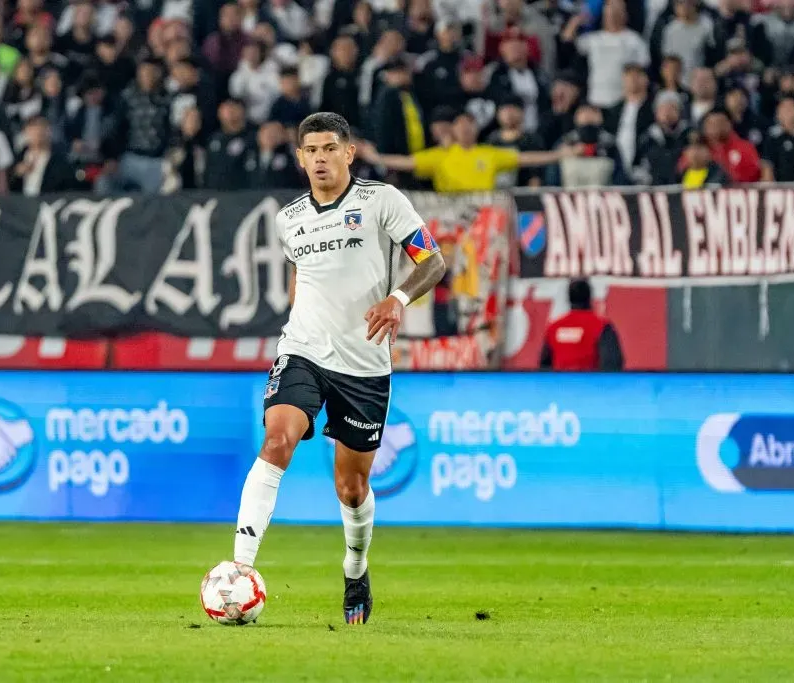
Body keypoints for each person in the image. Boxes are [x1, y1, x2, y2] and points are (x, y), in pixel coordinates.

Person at [232, 112, 446, 626]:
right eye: (312, 150)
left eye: (331, 148)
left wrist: (397, 299)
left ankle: (355, 567)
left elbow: (432, 261)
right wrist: (298, 325)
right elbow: (301, 279)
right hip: (304, 351)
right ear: (301, 157)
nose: (321, 158)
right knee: (276, 440)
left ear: (349, 153)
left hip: (365, 364)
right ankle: (238, 570)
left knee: (351, 488)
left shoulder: (381, 202)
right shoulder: (290, 220)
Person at [358, 112, 574, 193]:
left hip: (485, 219)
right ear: (453, 130)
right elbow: (407, 163)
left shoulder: (489, 153)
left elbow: (525, 159)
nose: (466, 129)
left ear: (476, 129)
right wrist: (375, 158)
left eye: (470, 125)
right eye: (461, 125)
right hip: (452, 219)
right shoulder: (441, 155)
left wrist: (559, 155)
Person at [540, 279, 624, 371]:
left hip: (560, 384)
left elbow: (544, 366)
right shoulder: (601, 326)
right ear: (589, 297)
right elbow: (612, 363)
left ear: (569, 298)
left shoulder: (554, 328)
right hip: (591, 384)